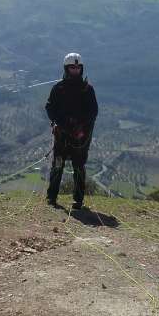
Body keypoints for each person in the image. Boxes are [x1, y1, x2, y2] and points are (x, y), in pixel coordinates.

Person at [44, 52, 98, 209]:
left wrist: (81, 126)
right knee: (58, 164)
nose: (76, 70)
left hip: (80, 136)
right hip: (61, 133)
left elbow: (93, 112)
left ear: (82, 68)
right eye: (72, 68)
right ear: (66, 69)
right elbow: (49, 107)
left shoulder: (87, 89)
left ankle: (78, 200)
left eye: (78, 67)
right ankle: (51, 197)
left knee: (79, 166)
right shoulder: (58, 88)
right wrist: (58, 123)